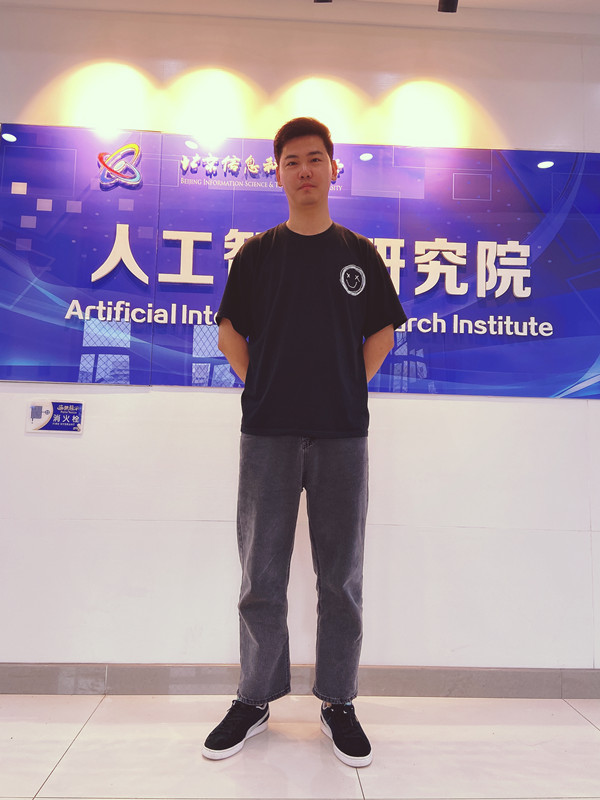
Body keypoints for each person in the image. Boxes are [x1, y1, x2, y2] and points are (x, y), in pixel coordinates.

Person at [202, 117, 407, 767]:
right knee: (260, 571)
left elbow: (382, 333)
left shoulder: (359, 254)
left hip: (342, 433)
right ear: (279, 174)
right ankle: (255, 698)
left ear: (334, 169)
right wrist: (265, 385)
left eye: (315, 159)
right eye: (292, 161)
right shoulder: (257, 255)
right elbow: (229, 333)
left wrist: (343, 386)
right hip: (268, 432)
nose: (305, 170)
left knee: (340, 576)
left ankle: (338, 701)